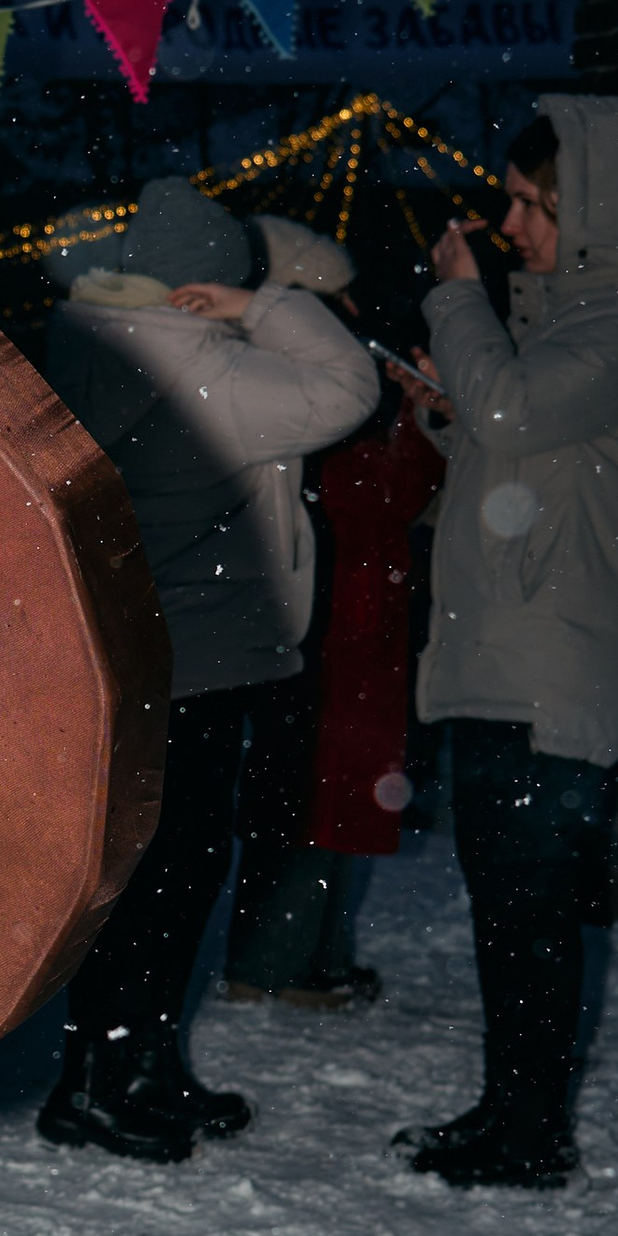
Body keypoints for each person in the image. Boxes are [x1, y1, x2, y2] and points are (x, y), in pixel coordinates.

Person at [34, 174, 376, 1162]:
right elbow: (349, 385)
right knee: (168, 880)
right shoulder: (208, 371)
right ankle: (110, 1078)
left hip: (133, 654)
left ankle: (118, 1067)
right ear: (199, 289)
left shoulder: (88, 344)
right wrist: (261, 307)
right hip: (201, 659)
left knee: (133, 877)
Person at [394, 94, 618, 1191]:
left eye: (531, 204)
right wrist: (444, 404)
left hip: (556, 658)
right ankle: (508, 1111)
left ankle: (529, 1134)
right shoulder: (568, 315)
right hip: (512, 647)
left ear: (599, 209)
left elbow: (518, 415)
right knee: (507, 901)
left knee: (527, 907)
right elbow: (512, 442)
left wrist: (459, 306)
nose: (509, 223)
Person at [221, 219, 443, 1011]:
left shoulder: (264, 368)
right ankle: (285, 959)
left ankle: (293, 952)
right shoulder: (322, 382)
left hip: (313, 601)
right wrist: (421, 431)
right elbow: (380, 494)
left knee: (305, 776)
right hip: (342, 604)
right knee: (324, 779)